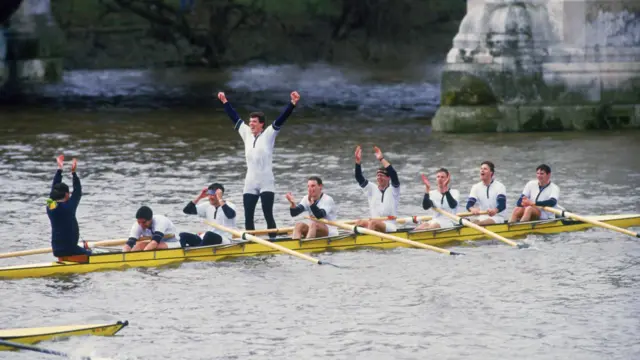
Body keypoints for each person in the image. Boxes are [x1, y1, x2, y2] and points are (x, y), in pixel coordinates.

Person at [218, 90, 300, 236]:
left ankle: (273, 240)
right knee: (248, 216)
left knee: (267, 214)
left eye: (254, 122)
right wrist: (225, 102)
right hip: (250, 181)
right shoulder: (245, 133)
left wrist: (292, 104)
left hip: (266, 181)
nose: (251, 124)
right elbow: (234, 117)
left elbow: (281, 119)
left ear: (261, 124)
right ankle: (250, 242)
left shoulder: (269, 133)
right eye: (250, 122)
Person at [47, 154, 90, 259]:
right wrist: (74, 173)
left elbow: (54, 189)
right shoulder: (68, 207)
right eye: (69, 193)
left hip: (56, 249)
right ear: (66, 194)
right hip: (70, 249)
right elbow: (78, 191)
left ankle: (63, 260)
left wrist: (59, 169)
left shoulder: (50, 206)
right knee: (91, 254)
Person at [353, 145, 401, 232]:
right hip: (373, 223)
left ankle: (367, 241)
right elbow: (359, 177)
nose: (379, 177)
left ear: (388, 178)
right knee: (359, 222)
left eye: (382, 175)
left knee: (373, 223)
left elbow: (393, 174)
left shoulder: (394, 190)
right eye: (378, 176)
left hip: (389, 225)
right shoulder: (371, 188)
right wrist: (357, 162)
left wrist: (381, 159)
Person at [180, 183, 237, 247]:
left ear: (220, 195)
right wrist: (200, 196)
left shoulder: (231, 206)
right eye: (209, 195)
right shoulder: (207, 206)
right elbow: (187, 210)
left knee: (209, 235)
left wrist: (220, 199)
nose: (210, 197)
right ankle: (184, 253)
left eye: (213, 195)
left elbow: (230, 215)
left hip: (225, 240)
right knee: (182, 235)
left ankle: (199, 252)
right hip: (207, 239)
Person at [466, 161, 507, 225]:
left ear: (491, 173)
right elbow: (469, 204)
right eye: (481, 169)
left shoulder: (500, 186)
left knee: (479, 223)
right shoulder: (476, 187)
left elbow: (502, 205)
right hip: (481, 216)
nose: (482, 170)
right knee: (465, 221)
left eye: (485, 169)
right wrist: (472, 209)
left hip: (497, 217)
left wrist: (495, 210)